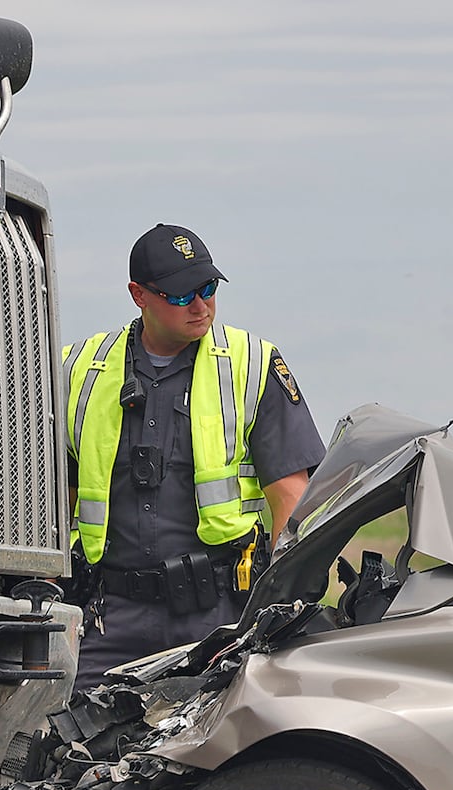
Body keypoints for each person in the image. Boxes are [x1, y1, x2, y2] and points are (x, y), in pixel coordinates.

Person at [63, 224, 325, 690]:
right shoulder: (76, 369)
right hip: (108, 618)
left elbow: (292, 497)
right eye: (184, 296)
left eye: (208, 289)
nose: (202, 306)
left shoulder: (252, 364)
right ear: (138, 295)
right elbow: (50, 495)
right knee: (68, 746)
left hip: (218, 618)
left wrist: (285, 604)